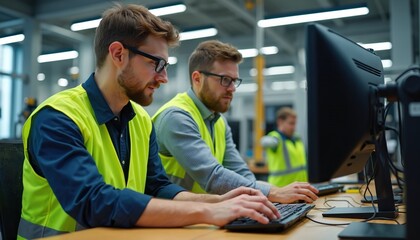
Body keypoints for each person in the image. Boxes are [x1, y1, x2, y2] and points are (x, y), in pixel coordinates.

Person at [18, 4, 280, 239]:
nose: (164, 77)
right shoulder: (57, 118)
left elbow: (157, 186)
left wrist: (216, 202)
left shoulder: (141, 119)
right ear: (118, 54)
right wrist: (206, 211)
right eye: (157, 64)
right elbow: (94, 202)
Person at [152, 40, 318, 204]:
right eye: (225, 80)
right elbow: (212, 176)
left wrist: (262, 199)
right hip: (173, 222)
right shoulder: (177, 117)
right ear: (197, 79)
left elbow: (240, 171)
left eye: (234, 81)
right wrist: (273, 192)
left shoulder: (219, 121)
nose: (232, 88)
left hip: (205, 216)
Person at [260, 107, 308, 187]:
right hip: (280, 189)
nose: (294, 127)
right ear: (280, 122)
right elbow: (264, 142)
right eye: (291, 123)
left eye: (295, 123)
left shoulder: (297, 139)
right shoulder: (276, 139)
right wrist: (271, 141)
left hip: (300, 188)